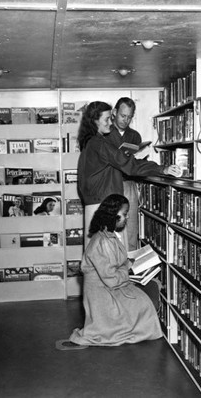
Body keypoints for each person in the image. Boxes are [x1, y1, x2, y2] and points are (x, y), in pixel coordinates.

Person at [77, 101, 182, 248]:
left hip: (95, 204)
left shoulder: (90, 142)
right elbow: (130, 165)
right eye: (107, 119)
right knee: (107, 255)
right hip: (102, 204)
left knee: (97, 254)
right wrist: (162, 169)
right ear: (95, 121)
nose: (110, 123)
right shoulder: (100, 143)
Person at [69, 194, 162, 346]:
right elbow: (111, 279)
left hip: (109, 287)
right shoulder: (103, 242)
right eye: (124, 214)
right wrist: (129, 270)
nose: (127, 218)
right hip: (105, 295)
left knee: (150, 289)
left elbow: (114, 263)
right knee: (144, 303)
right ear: (113, 215)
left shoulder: (107, 236)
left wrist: (128, 263)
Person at [107, 97, 143, 251]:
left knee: (131, 226)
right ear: (114, 112)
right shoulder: (104, 133)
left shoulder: (134, 136)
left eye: (129, 117)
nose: (126, 120)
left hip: (128, 183)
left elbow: (135, 163)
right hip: (109, 184)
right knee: (110, 227)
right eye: (123, 116)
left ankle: (130, 268)